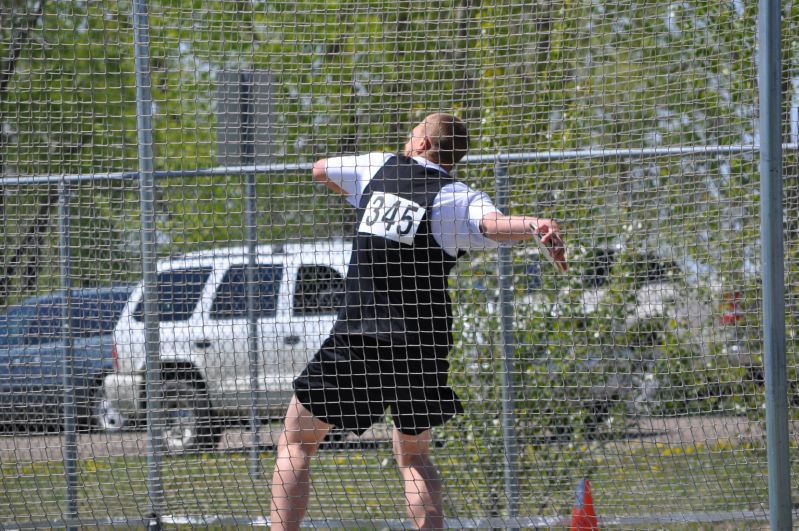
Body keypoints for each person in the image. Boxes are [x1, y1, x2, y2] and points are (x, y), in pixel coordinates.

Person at [270, 112, 566, 530]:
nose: (407, 140)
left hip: (362, 336)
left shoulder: (379, 167)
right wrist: (535, 225)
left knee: (296, 441)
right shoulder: (459, 195)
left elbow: (319, 169)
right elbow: (495, 226)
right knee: (413, 455)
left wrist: (363, 197)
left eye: (412, 135)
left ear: (423, 145)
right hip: (422, 344)